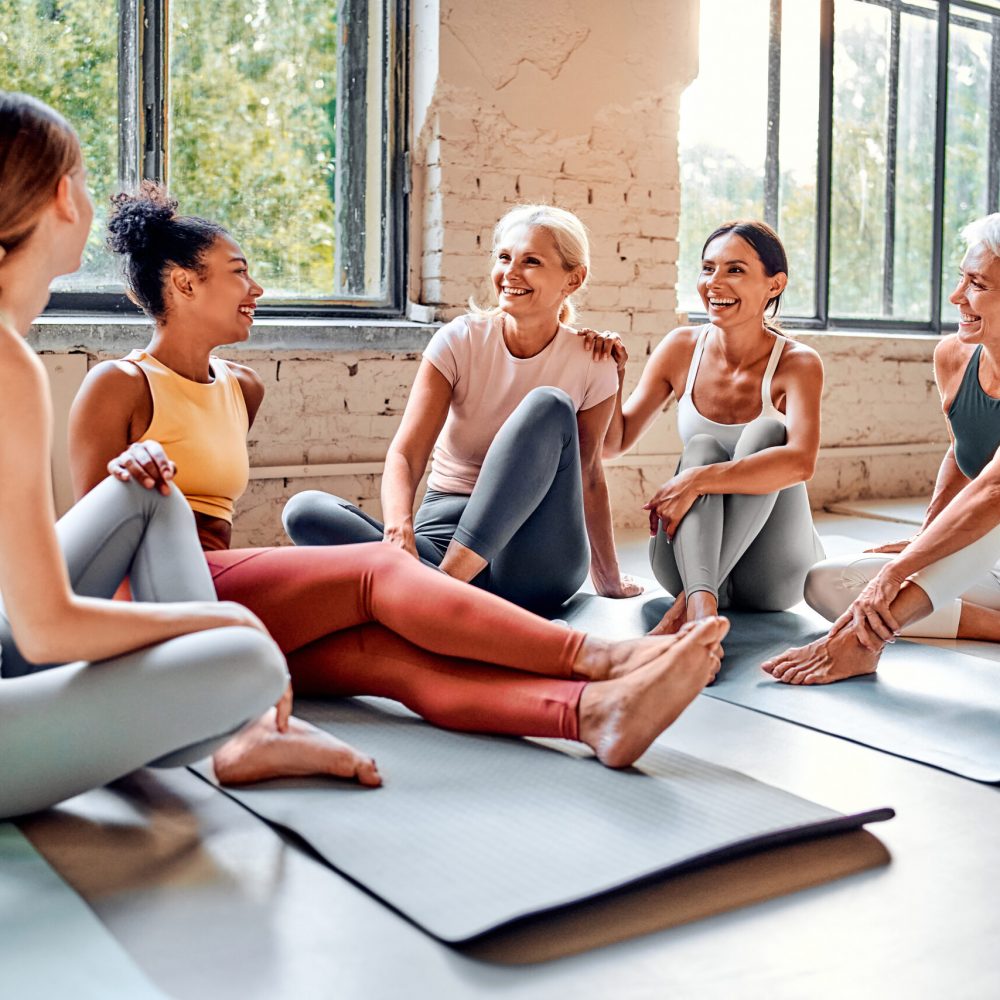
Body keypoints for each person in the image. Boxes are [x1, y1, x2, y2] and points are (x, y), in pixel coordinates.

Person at [68, 183, 729, 769]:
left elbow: (594, 459)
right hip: (162, 599)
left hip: (219, 589)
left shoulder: (241, 387)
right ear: (185, 284)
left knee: (391, 659)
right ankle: (605, 659)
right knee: (380, 570)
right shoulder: (116, 387)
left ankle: (591, 718)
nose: (257, 289)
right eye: (238, 273)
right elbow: (103, 543)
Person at [0, 90, 369, 820]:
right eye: (79, 177)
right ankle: (244, 724)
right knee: (249, 660)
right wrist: (224, 622)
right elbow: (48, 630)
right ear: (57, 199)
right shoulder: (11, 367)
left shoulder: (14, 352)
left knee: (149, 483)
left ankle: (254, 731)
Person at [282, 204, 641, 612]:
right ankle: (442, 589)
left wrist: (608, 577)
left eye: (532, 261)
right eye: (505, 257)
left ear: (573, 279)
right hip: (443, 535)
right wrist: (399, 530)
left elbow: (591, 471)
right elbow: (406, 453)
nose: (511, 272)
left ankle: (439, 589)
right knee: (305, 511)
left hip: (536, 555)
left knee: (548, 405)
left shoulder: (593, 358)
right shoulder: (460, 339)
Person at [763, 213, 1000, 684]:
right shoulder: (953, 357)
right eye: (960, 278)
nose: (957, 297)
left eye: (977, 284)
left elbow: (992, 490)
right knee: (829, 582)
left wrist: (898, 572)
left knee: (986, 512)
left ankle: (861, 643)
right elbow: (963, 450)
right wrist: (925, 538)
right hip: (990, 563)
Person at [583, 221, 825, 634]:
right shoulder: (681, 348)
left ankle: (695, 606)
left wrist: (698, 480)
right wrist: (613, 374)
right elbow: (612, 444)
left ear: (774, 284)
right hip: (687, 562)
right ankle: (700, 607)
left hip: (770, 574)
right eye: (708, 268)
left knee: (765, 436)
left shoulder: (798, 363)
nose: (715, 282)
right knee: (702, 446)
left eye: (735, 270)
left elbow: (801, 463)